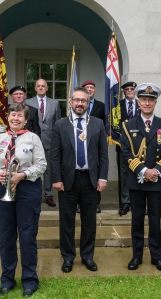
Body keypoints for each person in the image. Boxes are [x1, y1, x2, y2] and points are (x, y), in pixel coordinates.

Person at [0, 103, 46, 298]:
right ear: (8, 117)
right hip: (1, 188)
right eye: (13, 115)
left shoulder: (33, 138)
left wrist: (24, 174)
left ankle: (29, 280)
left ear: (26, 119)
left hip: (27, 188)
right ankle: (7, 279)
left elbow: (41, 164)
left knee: (28, 236)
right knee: (6, 236)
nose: (16, 118)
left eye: (20, 116)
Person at [51, 87, 108, 273]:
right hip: (68, 181)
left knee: (89, 222)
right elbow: (55, 156)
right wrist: (57, 179)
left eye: (84, 100)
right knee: (66, 221)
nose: (80, 104)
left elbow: (103, 155)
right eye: (77, 100)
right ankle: (68, 257)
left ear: (88, 102)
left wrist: (102, 178)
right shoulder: (60, 125)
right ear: (71, 101)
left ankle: (87, 256)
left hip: (91, 180)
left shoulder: (98, 124)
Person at [122, 83, 161, 272]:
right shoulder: (128, 125)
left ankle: (156, 257)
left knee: (155, 221)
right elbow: (126, 153)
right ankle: (136, 256)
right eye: (144, 99)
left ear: (155, 103)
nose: (147, 103)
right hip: (137, 181)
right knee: (136, 220)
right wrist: (144, 171)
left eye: (151, 100)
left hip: (157, 182)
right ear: (138, 102)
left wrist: (156, 171)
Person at [26, 78, 61, 207]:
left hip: (49, 141)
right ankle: (32, 194)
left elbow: (57, 124)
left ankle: (48, 195)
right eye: (38, 86)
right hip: (32, 140)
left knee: (48, 169)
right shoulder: (28, 102)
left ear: (47, 88)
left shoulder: (55, 103)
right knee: (31, 168)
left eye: (43, 86)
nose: (40, 88)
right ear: (35, 88)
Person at [78, 79, 105, 213]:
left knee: (95, 172)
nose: (90, 89)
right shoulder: (78, 105)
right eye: (87, 87)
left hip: (94, 142)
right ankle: (79, 203)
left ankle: (95, 203)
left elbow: (105, 124)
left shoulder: (102, 105)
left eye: (92, 88)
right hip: (79, 142)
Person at [117, 81, 139, 216]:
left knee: (140, 173)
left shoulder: (141, 104)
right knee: (124, 175)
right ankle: (125, 203)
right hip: (123, 146)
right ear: (124, 91)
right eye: (127, 89)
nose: (130, 91)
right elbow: (114, 125)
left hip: (140, 146)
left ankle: (138, 202)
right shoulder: (117, 106)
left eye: (132, 89)